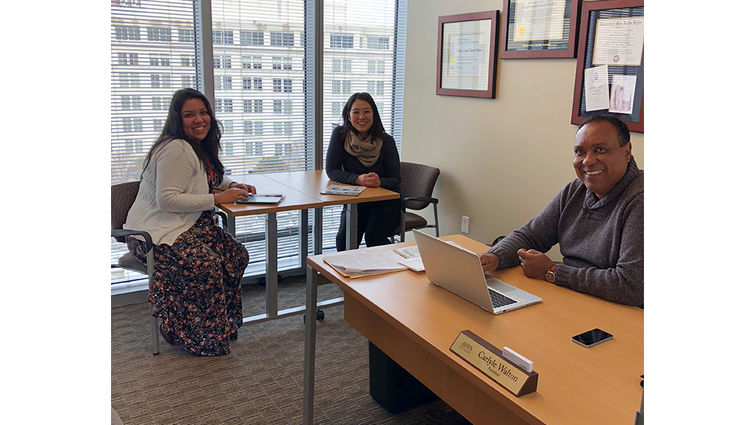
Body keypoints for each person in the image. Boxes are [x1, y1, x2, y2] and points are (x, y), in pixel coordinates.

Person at [123, 88, 257, 356]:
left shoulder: (196, 146)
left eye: (203, 112)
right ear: (178, 120)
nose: (199, 120)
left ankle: (221, 327)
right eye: (190, 115)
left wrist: (232, 185)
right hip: (153, 233)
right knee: (205, 264)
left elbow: (209, 177)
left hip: (186, 225)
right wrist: (217, 199)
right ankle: (184, 331)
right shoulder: (176, 148)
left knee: (235, 255)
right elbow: (167, 201)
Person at [480, 115, 643, 306]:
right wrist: (495, 257)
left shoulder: (641, 200)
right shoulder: (576, 190)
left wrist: (553, 272)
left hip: (621, 314)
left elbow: (631, 286)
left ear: (627, 151)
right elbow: (531, 235)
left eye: (600, 150)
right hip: (572, 296)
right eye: (580, 152)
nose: (588, 161)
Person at [326, 92, 401, 251]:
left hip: (385, 203)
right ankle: (350, 274)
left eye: (367, 111)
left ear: (374, 113)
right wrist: (357, 179)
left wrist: (380, 181)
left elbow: (395, 178)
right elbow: (332, 170)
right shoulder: (340, 135)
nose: (361, 117)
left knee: (374, 238)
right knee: (344, 241)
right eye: (356, 112)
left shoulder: (386, 141)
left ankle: (387, 270)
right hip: (356, 202)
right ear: (348, 115)